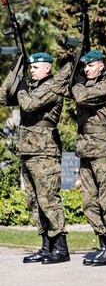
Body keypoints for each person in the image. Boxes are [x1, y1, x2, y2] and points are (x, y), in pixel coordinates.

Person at [1, 52, 70, 264]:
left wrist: (21, 87)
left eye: (36, 67)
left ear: (48, 68)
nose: (32, 70)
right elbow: (2, 97)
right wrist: (14, 70)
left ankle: (60, 247)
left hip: (45, 152)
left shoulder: (53, 87)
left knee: (48, 199)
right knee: (33, 201)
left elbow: (29, 105)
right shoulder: (29, 88)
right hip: (28, 151)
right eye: (30, 67)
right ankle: (45, 246)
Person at [71, 50, 106, 266]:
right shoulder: (86, 85)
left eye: (90, 66)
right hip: (86, 150)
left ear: (101, 66)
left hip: (102, 151)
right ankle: (103, 243)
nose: (86, 70)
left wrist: (77, 84)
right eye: (84, 67)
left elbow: (81, 97)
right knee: (88, 202)